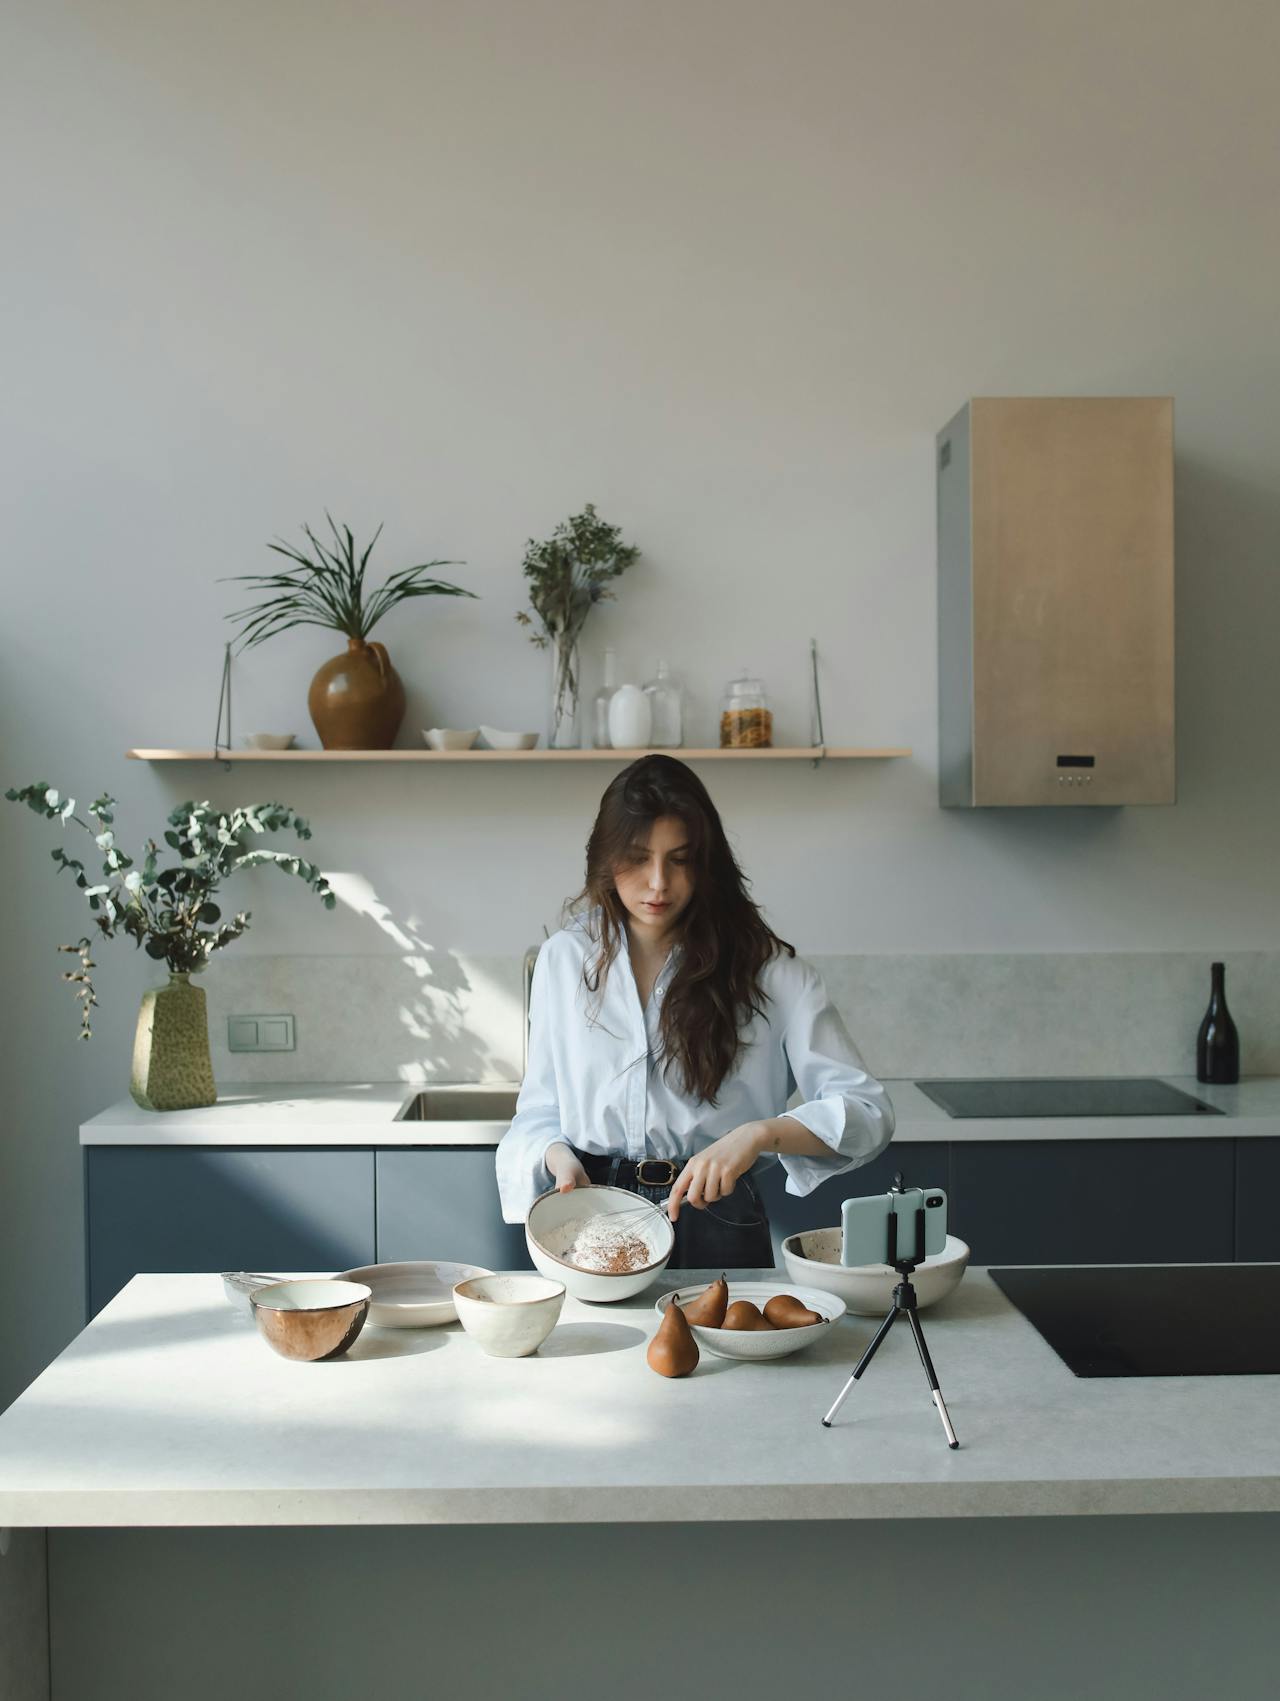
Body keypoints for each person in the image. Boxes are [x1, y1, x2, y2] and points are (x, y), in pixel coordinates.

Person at [496, 754, 894, 1268]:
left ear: (706, 862)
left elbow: (868, 1112)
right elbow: (539, 1108)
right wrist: (555, 1155)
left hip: (719, 1212)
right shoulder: (563, 959)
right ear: (605, 857)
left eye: (679, 860)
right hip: (590, 1210)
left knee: (729, 1349)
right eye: (638, 858)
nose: (658, 882)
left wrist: (760, 1134)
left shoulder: (768, 971)